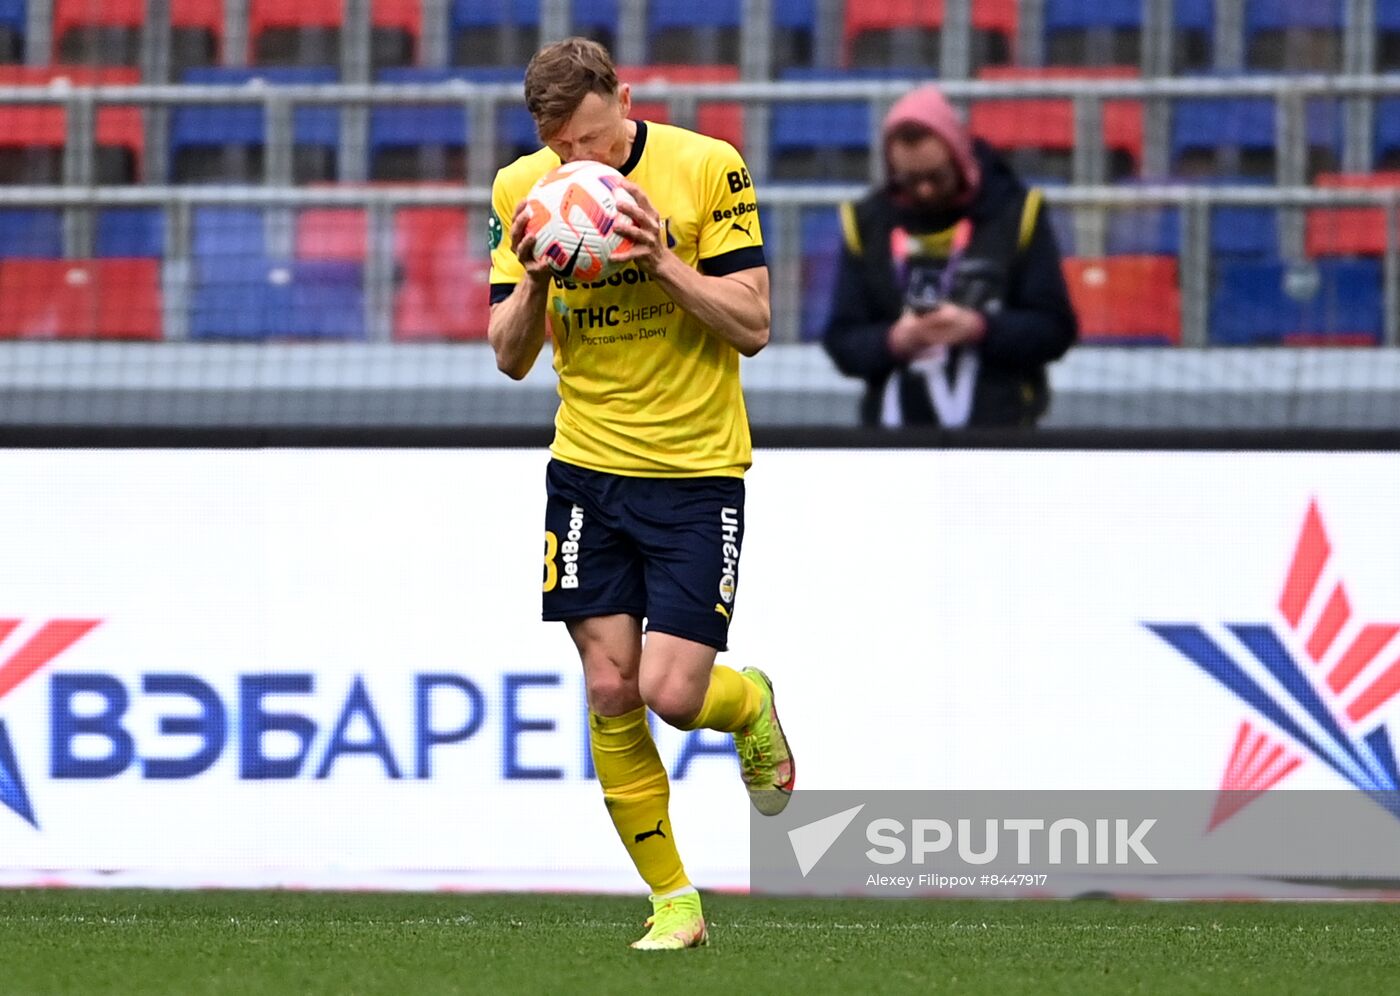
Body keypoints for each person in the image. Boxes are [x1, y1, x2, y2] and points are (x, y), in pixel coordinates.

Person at [486, 38, 795, 951]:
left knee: (671, 689)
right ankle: (675, 903)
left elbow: (755, 325)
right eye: (559, 151)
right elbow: (508, 356)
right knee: (611, 686)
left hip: (697, 471)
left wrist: (661, 259)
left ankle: (749, 704)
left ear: (626, 97)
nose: (574, 167)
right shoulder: (522, 190)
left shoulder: (707, 167)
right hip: (585, 469)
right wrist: (539, 271)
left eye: (587, 142)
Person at [822, 83, 1078, 428]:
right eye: (909, 179)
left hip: (1001, 438)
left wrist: (978, 328)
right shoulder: (865, 224)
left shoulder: (1017, 214)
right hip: (893, 444)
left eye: (936, 177)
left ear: (959, 156)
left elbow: (1055, 330)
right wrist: (894, 341)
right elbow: (842, 342)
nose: (924, 189)